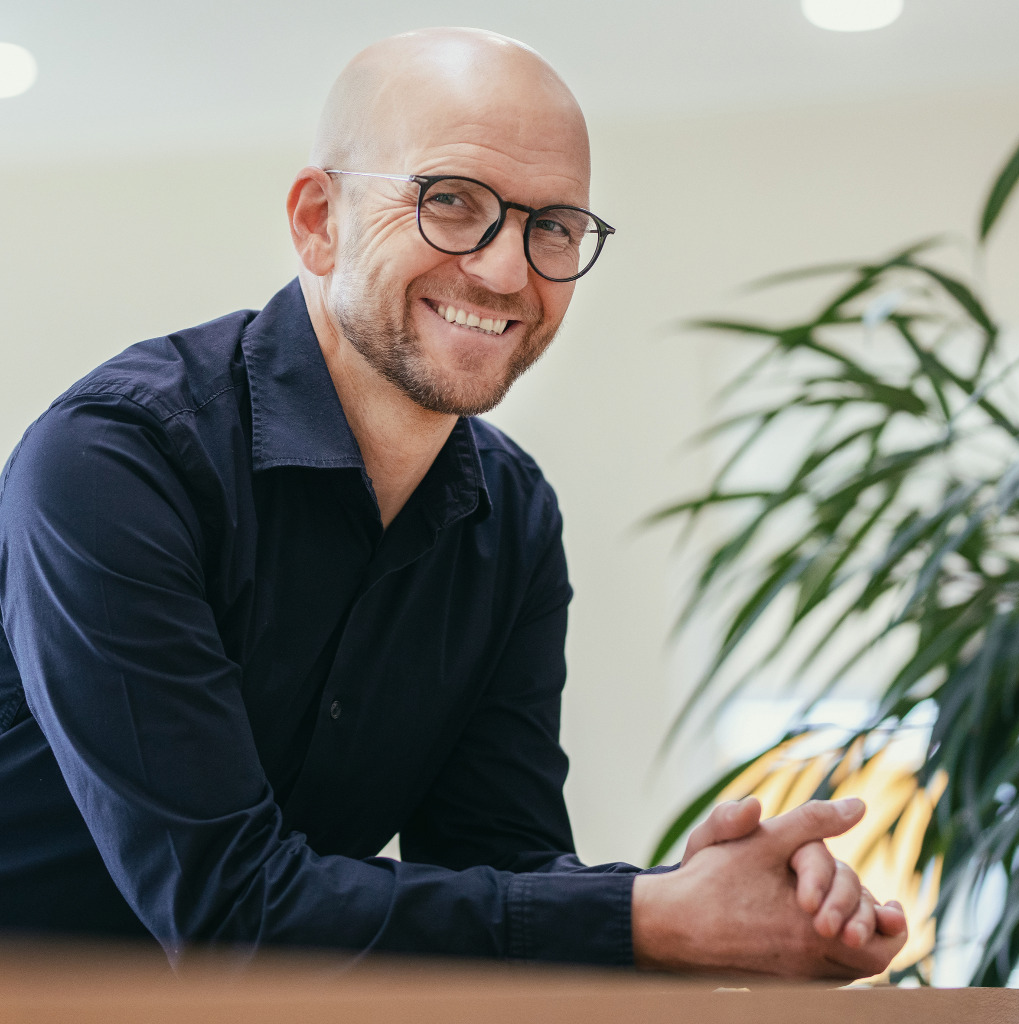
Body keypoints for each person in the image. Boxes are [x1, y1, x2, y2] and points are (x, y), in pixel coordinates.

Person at [0, 27, 907, 977]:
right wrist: (651, 918)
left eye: (552, 226)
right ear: (319, 220)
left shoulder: (511, 514)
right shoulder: (115, 460)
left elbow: (495, 866)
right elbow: (228, 909)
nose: (507, 271)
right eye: (451, 203)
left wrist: (712, 904)